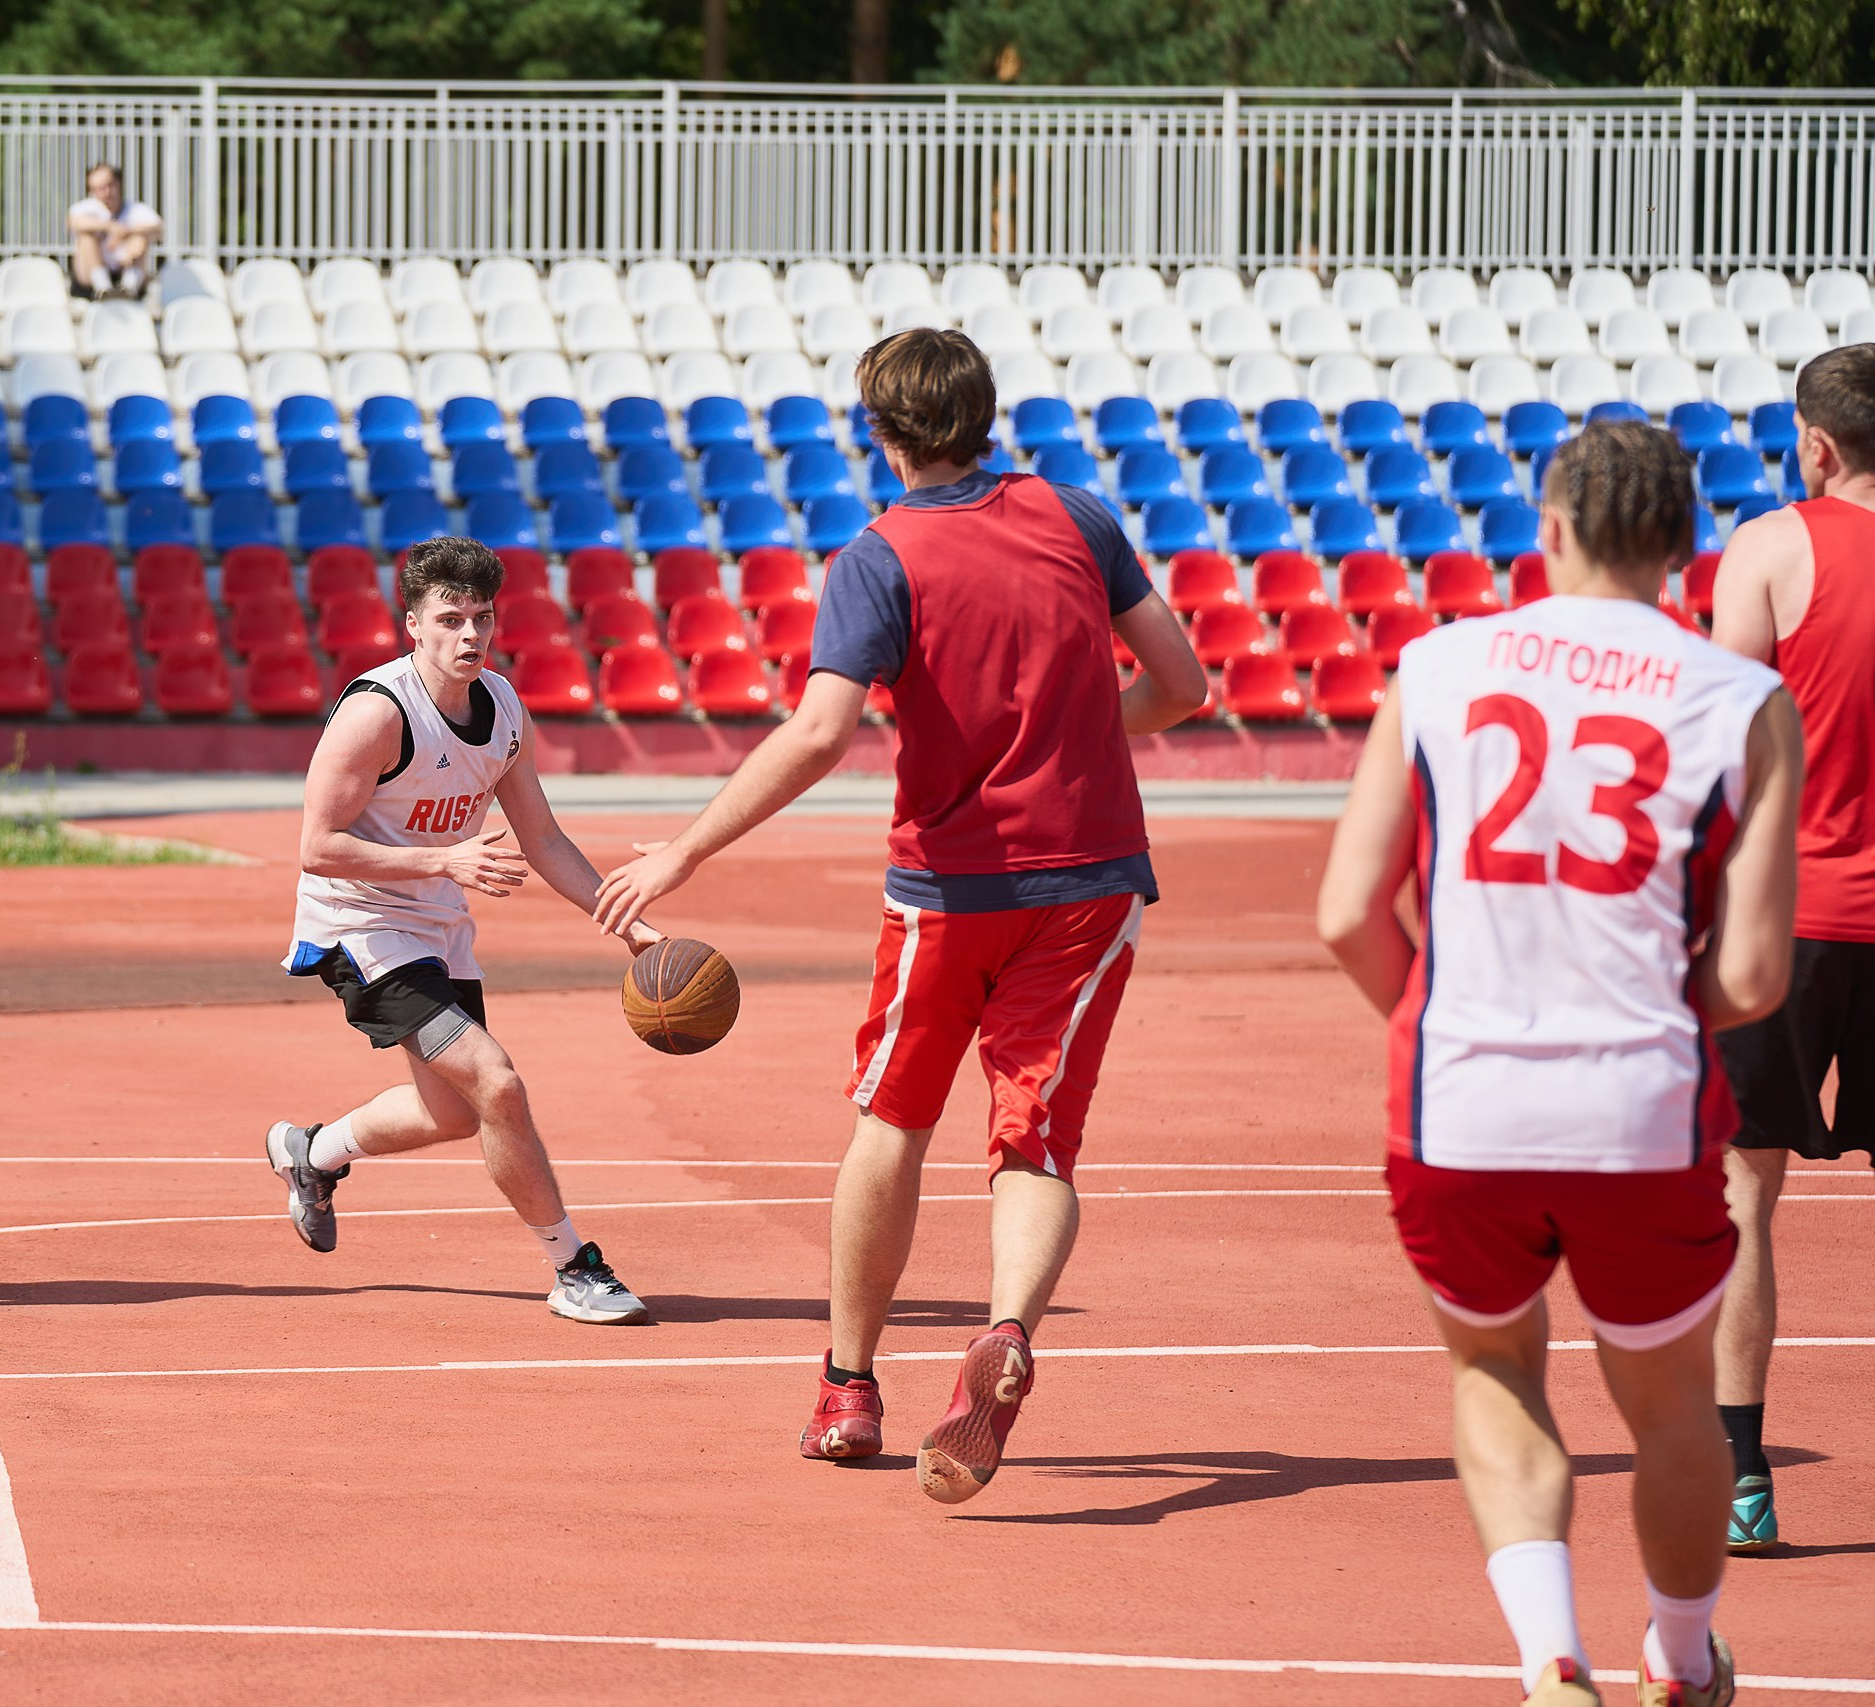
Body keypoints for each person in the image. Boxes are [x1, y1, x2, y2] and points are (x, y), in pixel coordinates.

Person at [593, 328, 1208, 1500]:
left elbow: (820, 732)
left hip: (948, 890)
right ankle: (1007, 1330)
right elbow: (1180, 687)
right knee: (1033, 1141)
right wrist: (1073, 737)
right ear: (985, 413)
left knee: (891, 1123)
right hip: (1090, 884)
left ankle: (848, 1387)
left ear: (878, 432)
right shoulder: (1079, 518)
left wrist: (682, 850)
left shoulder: (878, 557)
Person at [1318, 420, 1801, 1707]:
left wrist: (1437, 1018)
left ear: (1548, 528)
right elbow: (1756, 974)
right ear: (1685, 545)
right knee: (1671, 1400)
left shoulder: (1436, 665)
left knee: (1493, 1367)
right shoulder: (1741, 700)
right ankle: (1682, 1660)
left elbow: (1347, 913)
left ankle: (1550, 1663)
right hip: (1640, 1103)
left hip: (1460, 1094)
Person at [266, 537, 664, 1325]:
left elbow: (543, 838)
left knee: (453, 1112)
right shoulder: (378, 713)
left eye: (482, 616)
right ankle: (575, 1267)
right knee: (497, 1082)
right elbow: (316, 846)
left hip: (436, 921)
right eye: (450, 619)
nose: (470, 634)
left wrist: (628, 921)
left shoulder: (503, 708)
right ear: (413, 624)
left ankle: (311, 1153)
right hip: (359, 923)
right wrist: (445, 858)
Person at [1703, 341, 1875, 1554]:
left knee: (1744, 1195)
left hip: (1792, 918)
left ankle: (1741, 1480)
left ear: (1814, 444)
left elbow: (1722, 748)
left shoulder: (1770, 548)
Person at [67, 163, 163, 300]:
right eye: (98, 189)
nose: (105, 193)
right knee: (86, 237)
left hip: (125, 271)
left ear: (119, 184)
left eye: (109, 186)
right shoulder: (86, 208)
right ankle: (103, 288)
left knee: (140, 238)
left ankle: (129, 288)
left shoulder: (136, 209)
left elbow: (158, 227)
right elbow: (74, 222)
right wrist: (109, 227)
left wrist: (127, 233)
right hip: (89, 282)